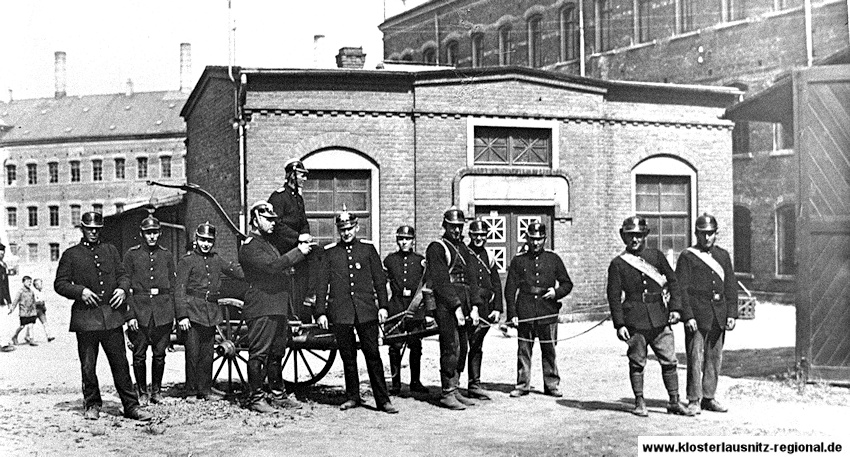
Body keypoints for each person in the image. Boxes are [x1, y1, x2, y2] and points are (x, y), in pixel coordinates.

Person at [54, 211, 152, 421]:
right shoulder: (71, 254)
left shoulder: (111, 250)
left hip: (111, 317)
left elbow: (123, 275)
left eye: (97, 229)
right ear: (82, 229)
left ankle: (131, 406)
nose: (93, 233)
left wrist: (122, 289)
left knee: (121, 365)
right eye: (89, 229)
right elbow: (60, 284)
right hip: (86, 319)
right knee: (88, 366)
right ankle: (92, 404)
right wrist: (80, 292)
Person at [606, 216, 692, 417]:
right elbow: (614, 296)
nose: (634, 240)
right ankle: (639, 401)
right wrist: (619, 324)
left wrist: (675, 309)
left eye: (638, 235)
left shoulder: (656, 256)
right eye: (630, 236)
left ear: (645, 236)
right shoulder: (618, 264)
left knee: (669, 360)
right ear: (623, 237)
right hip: (634, 320)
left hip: (660, 317)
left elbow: (673, 282)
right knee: (637, 362)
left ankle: (674, 401)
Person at [316, 209, 398, 414]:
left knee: (373, 355)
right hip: (341, 312)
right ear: (338, 231)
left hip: (366, 311)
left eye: (350, 228)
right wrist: (321, 312)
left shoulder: (368, 250)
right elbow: (321, 285)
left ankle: (383, 400)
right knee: (348, 356)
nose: (346, 233)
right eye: (342, 229)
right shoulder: (330, 252)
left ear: (357, 227)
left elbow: (380, 281)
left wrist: (383, 307)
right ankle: (353, 396)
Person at [239, 201, 313, 413]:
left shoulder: (268, 243)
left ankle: (278, 395)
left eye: (273, 220)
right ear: (255, 219)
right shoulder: (250, 245)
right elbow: (272, 267)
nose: (272, 224)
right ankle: (256, 398)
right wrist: (298, 252)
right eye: (268, 220)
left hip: (277, 306)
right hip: (262, 306)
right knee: (259, 354)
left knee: (277, 353)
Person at [676, 213, 738, 415]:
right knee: (695, 357)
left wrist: (731, 313)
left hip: (718, 313)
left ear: (716, 234)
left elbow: (730, 286)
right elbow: (681, 289)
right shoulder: (687, 256)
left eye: (710, 233)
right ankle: (694, 399)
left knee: (714, 357)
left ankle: (709, 397)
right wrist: (688, 316)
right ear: (696, 234)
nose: (707, 238)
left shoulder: (723, 256)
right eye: (702, 234)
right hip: (697, 315)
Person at [176, 222, 244, 401]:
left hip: (211, 312)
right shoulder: (187, 261)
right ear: (196, 240)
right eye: (203, 240)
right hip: (192, 312)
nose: (206, 244)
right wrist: (182, 315)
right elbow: (179, 289)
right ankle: (191, 391)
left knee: (207, 353)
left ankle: (205, 390)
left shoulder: (216, 259)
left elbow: (235, 271)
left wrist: (254, 270)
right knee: (192, 353)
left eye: (209, 241)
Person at [504, 222, 572, 399]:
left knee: (549, 350)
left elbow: (567, 283)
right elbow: (510, 290)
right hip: (525, 310)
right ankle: (522, 385)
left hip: (547, 310)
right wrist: (512, 314)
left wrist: (556, 292)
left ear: (545, 239)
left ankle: (552, 385)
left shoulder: (553, 259)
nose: (535, 243)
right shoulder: (519, 260)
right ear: (527, 238)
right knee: (524, 350)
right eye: (532, 239)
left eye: (539, 239)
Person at [426, 207, 483, 410]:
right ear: (445, 226)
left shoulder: (465, 249)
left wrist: (475, 306)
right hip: (446, 304)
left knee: (463, 348)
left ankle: (455, 388)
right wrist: (456, 308)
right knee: (451, 347)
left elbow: (473, 279)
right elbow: (441, 282)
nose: (457, 231)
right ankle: (446, 393)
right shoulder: (437, 248)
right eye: (453, 227)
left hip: (465, 301)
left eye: (460, 227)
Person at [122, 215, 176, 406]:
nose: (151, 237)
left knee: (160, 355)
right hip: (140, 311)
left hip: (163, 311)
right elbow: (125, 285)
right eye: (148, 233)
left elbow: (174, 284)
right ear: (141, 234)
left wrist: (174, 314)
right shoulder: (132, 255)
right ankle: (142, 392)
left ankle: (156, 391)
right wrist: (129, 316)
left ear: (159, 233)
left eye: (154, 233)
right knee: (139, 356)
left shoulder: (166, 255)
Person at [383, 225, 430, 396]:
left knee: (415, 345)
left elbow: (426, 287)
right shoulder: (389, 260)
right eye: (401, 239)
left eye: (408, 239)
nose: (404, 242)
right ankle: (395, 383)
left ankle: (415, 381)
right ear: (397, 240)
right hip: (396, 307)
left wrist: (427, 312)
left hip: (414, 309)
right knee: (394, 346)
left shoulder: (421, 261)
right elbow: (384, 285)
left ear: (413, 241)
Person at [461, 220, 503, 401]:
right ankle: (453, 386)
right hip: (467, 306)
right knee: (462, 345)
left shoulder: (490, 256)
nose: (479, 238)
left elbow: (496, 283)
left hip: (485, 307)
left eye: (482, 235)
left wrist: (498, 308)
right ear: (470, 235)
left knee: (477, 345)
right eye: (475, 235)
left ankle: (474, 384)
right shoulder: (464, 253)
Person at [268, 158, 315, 318]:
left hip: (299, 244)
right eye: (302, 175)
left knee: (318, 253)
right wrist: (297, 238)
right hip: (284, 248)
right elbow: (276, 225)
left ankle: (310, 298)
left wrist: (306, 235)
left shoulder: (298, 198)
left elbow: (304, 221)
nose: (305, 179)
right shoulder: (278, 197)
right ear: (292, 175)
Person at [10, 275, 39, 346]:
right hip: (24, 312)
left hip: (31, 312)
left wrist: (35, 309)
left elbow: (33, 301)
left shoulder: (31, 291)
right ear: (23, 282)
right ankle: (14, 336)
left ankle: (32, 339)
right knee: (22, 326)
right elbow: (15, 301)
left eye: (30, 282)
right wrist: (12, 309)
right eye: (28, 282)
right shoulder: (20, 291)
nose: (29, 283)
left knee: (31, 325)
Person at [0, 243, 16, 352]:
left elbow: (6, 284)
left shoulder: (3, 265)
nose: (1, 254)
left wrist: (9, 301)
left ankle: (4, 342)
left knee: (4, 321)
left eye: (3, 252)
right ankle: (3, 344)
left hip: (2, 299)